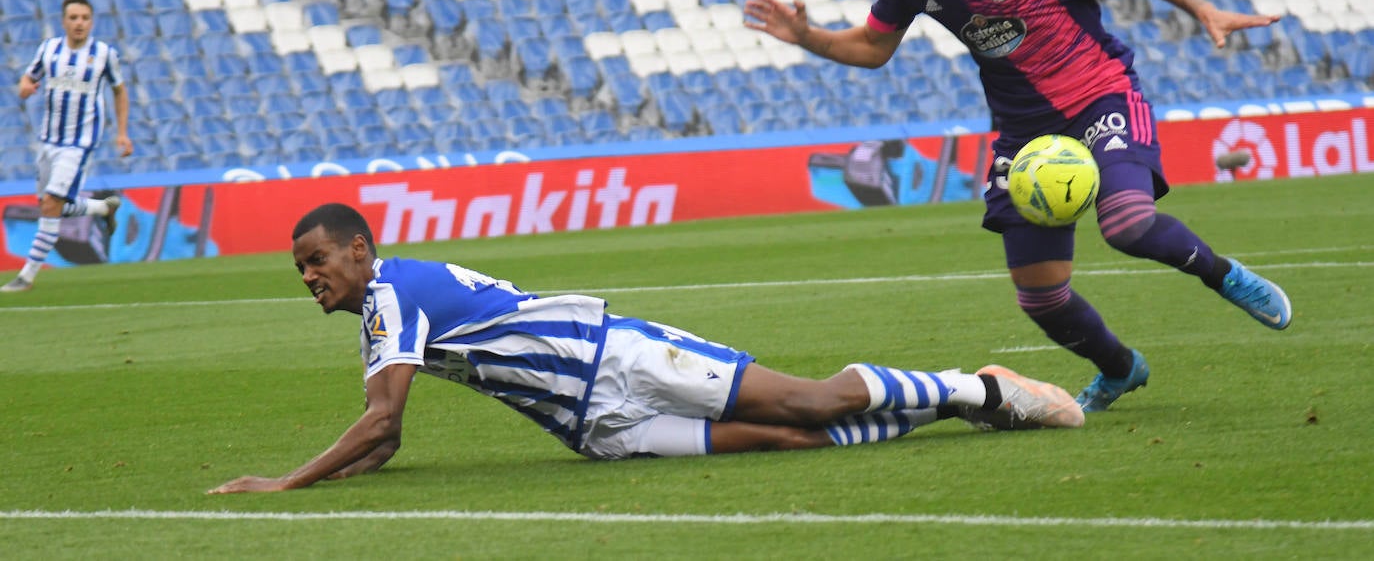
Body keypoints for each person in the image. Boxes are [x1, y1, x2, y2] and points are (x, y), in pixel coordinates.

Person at [742, 0, 1292, 413]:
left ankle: (1224, 276)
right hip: (1025, 134)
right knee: (1041, 296)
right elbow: (874, 46)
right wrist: (807, 37)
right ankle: (1121, 368)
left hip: (1097, 93)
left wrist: (1203, 9)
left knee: (1127, 223)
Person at [208, 203, 1083, 494]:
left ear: (359, 250)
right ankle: (951, 410)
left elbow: (381, 418)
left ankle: (979, 390)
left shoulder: (394, 293)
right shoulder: (378, 319)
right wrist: (351, 474)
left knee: (810, 402)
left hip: (614, 359)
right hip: (595, 429)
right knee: (792, 440)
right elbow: (387, 438)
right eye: (300, 268)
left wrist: (285, 486)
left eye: (316, 261)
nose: (308, 276)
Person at [2, 0, 132, 293]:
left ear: (91, 22)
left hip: (79, 144)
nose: (79, 23)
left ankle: (26, 277)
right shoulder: (49, 49)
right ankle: (103, 209)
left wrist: (122, 132)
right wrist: (24, 87)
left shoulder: (103, 54)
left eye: (85, 18)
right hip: (48, 142)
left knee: (51, 205)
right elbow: (28, 78)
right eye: (73, 18)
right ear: (63, 21)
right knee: (51, 206)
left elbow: (119, 91)